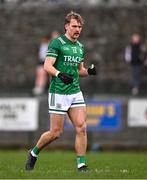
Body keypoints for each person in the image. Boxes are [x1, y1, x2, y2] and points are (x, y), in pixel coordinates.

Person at [25, 11, 96, 172]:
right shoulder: (57, 43)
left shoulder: (80, 47)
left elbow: (79, 70)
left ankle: (81, 164)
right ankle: (34, 152)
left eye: (79, 26)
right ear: (66, 26)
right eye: (74, 26)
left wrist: (88, 71)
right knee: (56, 133)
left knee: (81, 127)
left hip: (75, 91)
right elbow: (47, 65)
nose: (77, 29)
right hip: (58, 92)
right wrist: (59, 74)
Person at [32, 31, 60, 95]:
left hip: (53, 63)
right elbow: (42, 55)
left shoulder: (59, 46)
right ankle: (39, 87)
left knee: (53, 73)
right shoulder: (45, 44)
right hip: (43, 61)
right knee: (41, 73)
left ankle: (53, 88)